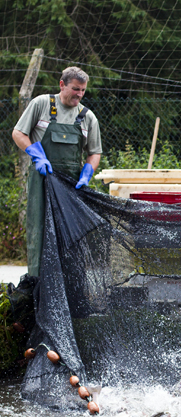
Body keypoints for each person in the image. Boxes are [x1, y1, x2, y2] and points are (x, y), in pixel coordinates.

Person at [12, 66, 102, 277]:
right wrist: (37, 154)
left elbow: (94, 152)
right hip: (42, 182)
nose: (79, 94)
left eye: (83, 90)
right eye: (75, 89)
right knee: (40, 231)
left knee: (71, 234)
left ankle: (70, 283)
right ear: (62, 85)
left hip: (71, 187)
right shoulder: (41, 104)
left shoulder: (88, 117)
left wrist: (88, 172)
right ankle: (38, 282)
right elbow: (18, 133)